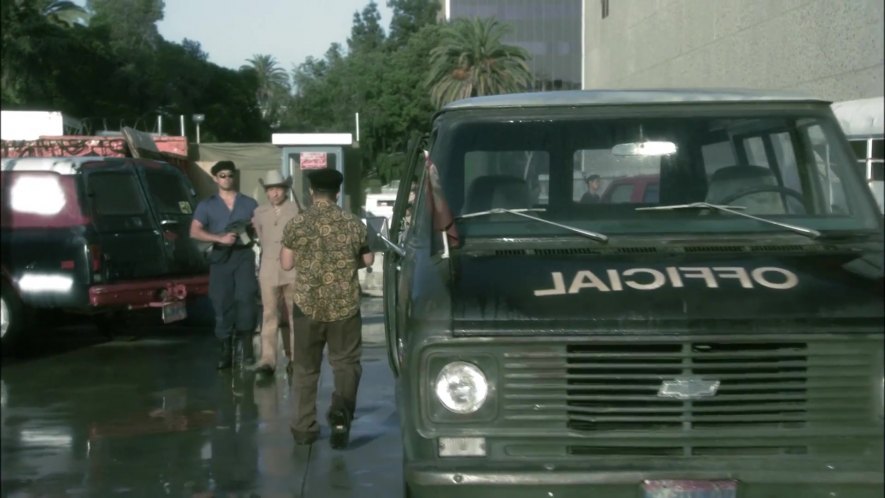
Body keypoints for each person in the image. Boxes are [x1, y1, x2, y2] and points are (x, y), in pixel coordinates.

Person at [280, 168, 374, 449]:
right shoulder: (354, 223)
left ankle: (303, 427)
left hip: (307, 306)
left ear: (311, 191)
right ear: (337, 193)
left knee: (306, 369)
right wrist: (346, 263)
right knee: (346, 365)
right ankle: (342, 413)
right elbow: (367, 259)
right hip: (344, 306)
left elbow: (286, 264)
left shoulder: (297, 224)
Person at [190, 161, 260, 370]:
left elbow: (259, 226)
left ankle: (247, 350)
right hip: (220, 258)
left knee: (246, 300)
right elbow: (194, 231)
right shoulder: (207, 204)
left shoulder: (249, 203)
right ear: (215, 178)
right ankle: (225, 351)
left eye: (230, 175)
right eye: (222, 175)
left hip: (243, 256)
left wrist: (250, 232)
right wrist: (219, 238)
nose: (227, 179)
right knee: (222, 303)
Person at [252, 170, 300, 376]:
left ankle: (295, 358)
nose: (275, 193)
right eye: (270, 189)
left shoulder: (297, 210)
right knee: (269, 314)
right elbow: (261, 238)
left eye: (278, 188)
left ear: (285, 189)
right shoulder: (259, 212)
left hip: (293, 267)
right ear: (266, 192)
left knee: (294, 315)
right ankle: (267, 360)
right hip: (269, 267)